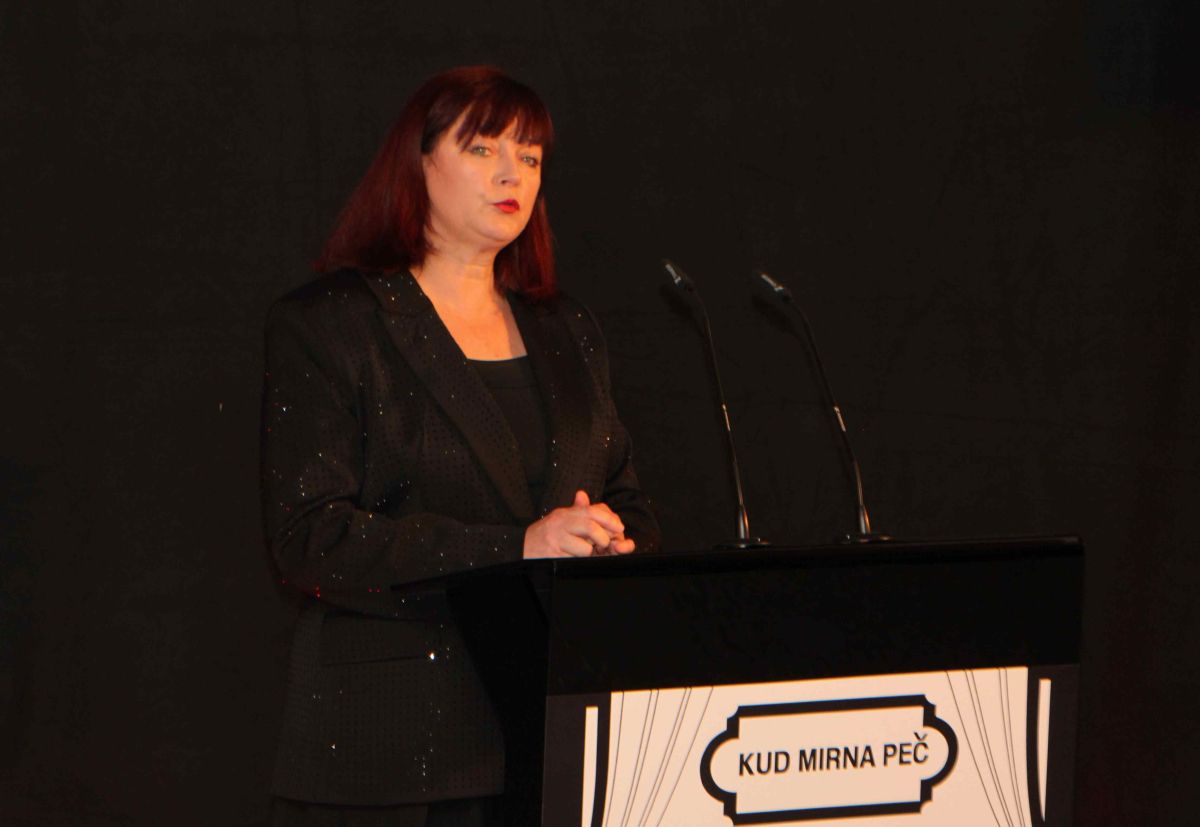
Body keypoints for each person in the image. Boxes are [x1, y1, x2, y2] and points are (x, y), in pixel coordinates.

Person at [261, 66, 659, 826]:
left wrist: (612, 541)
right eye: (483, 149)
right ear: (417, 163)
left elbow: (627, 498)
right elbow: (310, 538)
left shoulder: (568, 328)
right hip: (395, 756)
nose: (514, 174)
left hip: (556, 743)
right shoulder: (330, 325)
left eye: (531, 157)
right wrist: (517, 547)